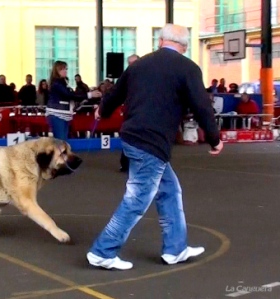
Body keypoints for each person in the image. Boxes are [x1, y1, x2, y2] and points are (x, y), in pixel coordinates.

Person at [86, 24, 224, 270]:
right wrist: (214, 138)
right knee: (137, 199)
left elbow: (115, 94)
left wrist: (102, 110)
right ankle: (103, 251)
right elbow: (202, 106)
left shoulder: (138, 64)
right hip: (152, 142)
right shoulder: (188, 68)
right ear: (185, 46)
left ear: (161, 40)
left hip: (132, 136)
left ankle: (175, 248)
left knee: (169, 191)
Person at [46, 60, 101, 140]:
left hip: (63, 113)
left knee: (63, 140)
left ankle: (62, 152)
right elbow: (69, 95)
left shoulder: (62, 82)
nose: (65, 71)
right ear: (56, 71)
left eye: (65, 69)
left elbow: (70, 95)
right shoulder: (56, 83)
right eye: (62, 69)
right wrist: (89, 95)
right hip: (57, 113)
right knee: (61, 140)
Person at [120, 54, 140, 172]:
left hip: (141, 111)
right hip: (130, 111)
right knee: (128, 136)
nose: (132, 65)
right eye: (130, 63)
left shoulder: (146, 76)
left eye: (134, 62)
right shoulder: (125, 77)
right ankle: (125, 164)